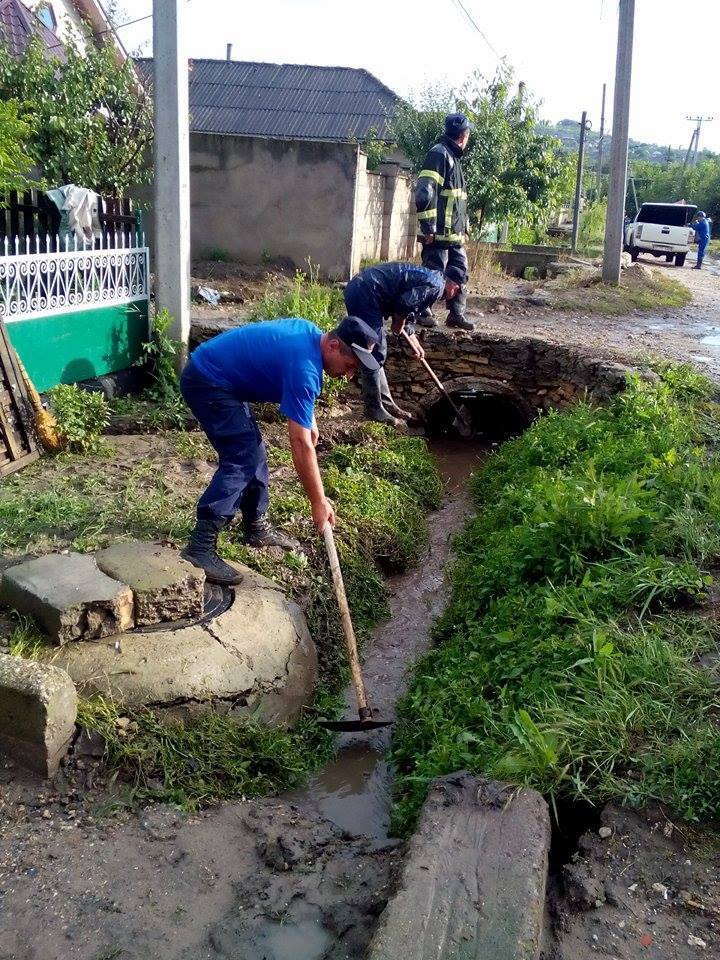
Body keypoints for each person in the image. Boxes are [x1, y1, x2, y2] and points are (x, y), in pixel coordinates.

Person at [179, 316, 381, 585]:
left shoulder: (310, 335)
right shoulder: (305, 368)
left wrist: (309, 418)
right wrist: (318, 502)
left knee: (254, 452)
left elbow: (295, 386)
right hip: (207, 381)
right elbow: (299, 445)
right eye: (349, 366)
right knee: (242, 457)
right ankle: (200, 546)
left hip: (221, 378)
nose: (349, 375)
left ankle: (256, 527)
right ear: (333, 346)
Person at [343, 261, 462, 425]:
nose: (455, 293)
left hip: (364, 290)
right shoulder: (436, 286)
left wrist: (414, 341)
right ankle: (373, 408)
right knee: (375, 350)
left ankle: (386, 404)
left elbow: (410, 310)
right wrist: (398, 324)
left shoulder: (433, 279)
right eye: (457, 290)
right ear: (454, 285)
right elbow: (405, 304)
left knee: (376, 352)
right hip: (366, 293)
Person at [414, 112, 474, 331]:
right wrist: (428, 227)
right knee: (433, 274)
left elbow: (457, 199)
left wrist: (464, 226)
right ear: (464, 135)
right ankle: (422, 311)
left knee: (459, 272)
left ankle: (455, 314)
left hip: (454, 234)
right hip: (438, 233)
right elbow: (424, 192)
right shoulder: (439, 154)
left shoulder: (453, 156)